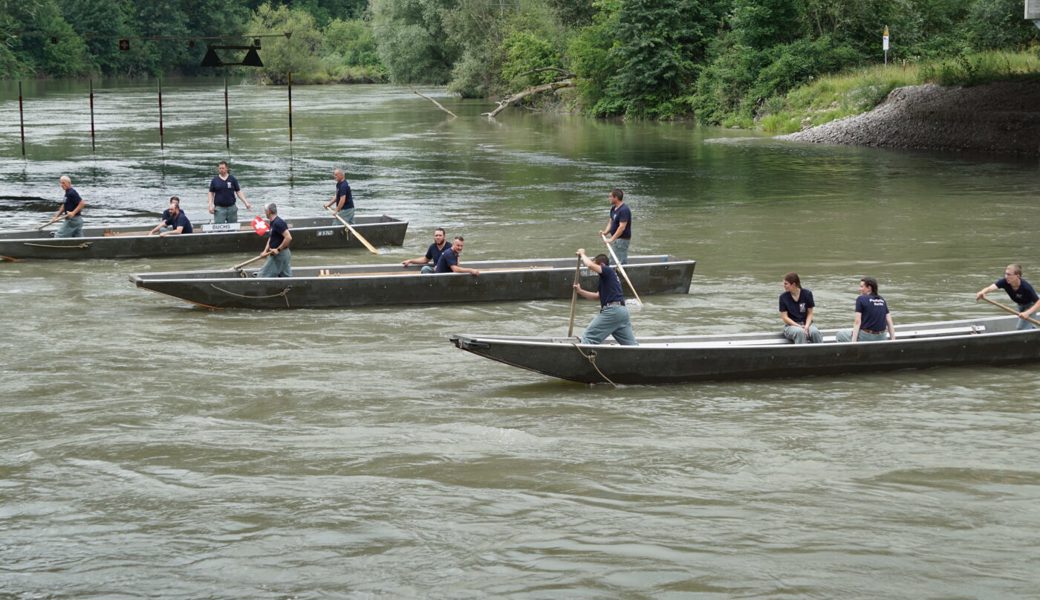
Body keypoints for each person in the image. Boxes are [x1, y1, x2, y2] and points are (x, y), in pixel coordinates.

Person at [572, 248, 638, 345]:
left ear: (602, 265)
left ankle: (582, 357)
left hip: (613, 311)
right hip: (622, 312)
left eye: (595, 266)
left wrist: (582, 254)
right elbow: (597, 296)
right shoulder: (607, 278)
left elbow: (589, 264)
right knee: (631, 345)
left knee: (588, 337)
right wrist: (580, 291)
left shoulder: (607, 270)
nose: (592, 269)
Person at [975, 263, 1040, 330]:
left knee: (1020, 328)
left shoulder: (1026, 287)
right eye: (1005, 273)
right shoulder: (1004, 282)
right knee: (1026, 324)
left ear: (1017, 276)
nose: (1006, 276)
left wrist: (1027, 313)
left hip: (1031, 304)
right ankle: (1032, 328)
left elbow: (1038, 302)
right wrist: (982, 292)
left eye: (1009, 274)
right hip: (1020, 305)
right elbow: (990, 288)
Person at [835, 277, 896, 342]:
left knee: (840, 334)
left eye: (861, 287)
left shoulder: (861, 299)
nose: (859, 289)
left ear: (869, 288)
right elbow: (889, 321)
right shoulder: (882, 300)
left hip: (867, 336)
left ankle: (854, 351)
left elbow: (857, 322)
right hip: (882, 336)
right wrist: (893, 341)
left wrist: (853, 342)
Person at [779, 272, 823, 344]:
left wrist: (806, 326)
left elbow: (810, 313)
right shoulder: (783, 297)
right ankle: (802, 354)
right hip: (791, 326)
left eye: (786, 284)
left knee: (815, 332)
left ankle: (822, 352)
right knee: (800, 332)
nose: (784, 286)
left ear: (793, 284)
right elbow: (785, 317)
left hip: (807, 323)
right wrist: (799, 326)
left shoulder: (807, 294)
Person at [257, 202, 292, 278]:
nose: (264, 213)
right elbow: (271, 238)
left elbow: (288, 237)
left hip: (280, 255)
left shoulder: (278, 223)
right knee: (286, 277)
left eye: (265, 211)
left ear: (269, 211)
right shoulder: (272, 222)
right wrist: (265, 251)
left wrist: (278, 250)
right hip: (277, 254)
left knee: (262, 276)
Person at [600, 187, 632, 265]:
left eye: (610, 197)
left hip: (622, 240)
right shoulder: (613, 208)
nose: (609, 198)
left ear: (616, 198)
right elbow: (611, 222)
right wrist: (605, 232)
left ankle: (621, 274)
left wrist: (611, 239)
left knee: (615, 261)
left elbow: (622, 227)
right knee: (615, 259)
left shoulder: (624, 210)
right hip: (617, 239)